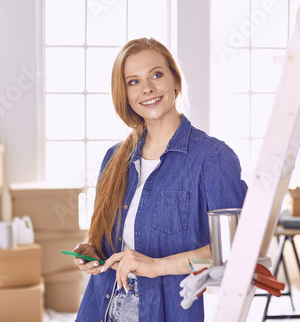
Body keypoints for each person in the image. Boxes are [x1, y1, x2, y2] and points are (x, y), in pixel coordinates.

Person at [72, 37, 247, 321]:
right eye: (133, 82)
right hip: (101, 308)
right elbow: (113, 237)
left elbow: (235, 251)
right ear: (125, 95)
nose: (147, 88)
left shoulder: (212, 158)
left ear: (175, 81)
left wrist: (159, 266)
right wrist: (93, 250)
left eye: (156, 74)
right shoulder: (113, 159)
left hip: (165, 312)